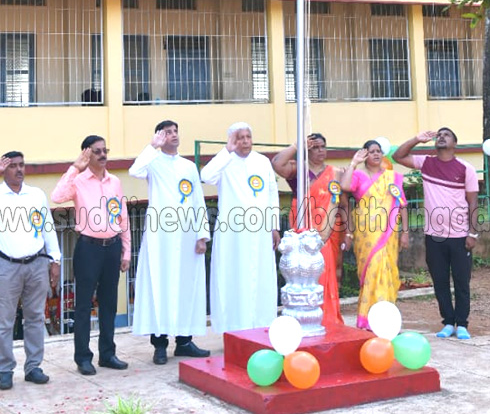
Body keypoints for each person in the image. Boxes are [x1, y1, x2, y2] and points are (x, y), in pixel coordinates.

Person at [0, 151, 61, 390]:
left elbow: (48, 227)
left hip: (37, 264)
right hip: (5, 266)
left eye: (21, 165)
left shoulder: (36, 194)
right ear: (3, 170)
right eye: (13, 166)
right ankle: (4, 371)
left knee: (35, 318)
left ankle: (33, 367)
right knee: (4, 322)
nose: (19, 170)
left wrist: (54, 260)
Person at [129, 120, 211, 365]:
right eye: (167, 132)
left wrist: (201, 235)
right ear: (159, 136)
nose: (173, 135)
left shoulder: (188, 166)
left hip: (187, 238)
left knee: (187, 287)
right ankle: (160, 344)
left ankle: (184, 342)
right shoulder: (152, 162)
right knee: (160, 286)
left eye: (175, 131)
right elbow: (134, 170)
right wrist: (152, 146)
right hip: (161, 238)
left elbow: (198, 200)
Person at [51, 135, 131, 375]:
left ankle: (108, 354)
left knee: (108, 304)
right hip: (88, 249)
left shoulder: (115, 181)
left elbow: (123, 217)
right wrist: (75, 167)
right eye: (97, 151)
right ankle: (83, 358)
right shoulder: (78, 181)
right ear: (86, 154)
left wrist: (126, 250)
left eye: (105, 150)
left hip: (112, 247)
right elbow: (57, 196)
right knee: (84, 305)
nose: (103, 155)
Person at [393, 128, 479, 340]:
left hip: (460, 235)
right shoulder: (426, 163)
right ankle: (448, 322)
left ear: (455, 143)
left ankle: (462, 324)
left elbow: (473, 202)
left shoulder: (466, 168)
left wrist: (473, 233)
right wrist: (416, 139)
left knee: (461, 282)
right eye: (438, 134)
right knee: (440, 282)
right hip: (434, 236)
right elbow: (398, 156)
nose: (441, 137)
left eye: (446, 135)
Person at [201, 122, 280, 333]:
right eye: (240, 138)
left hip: (261, 232)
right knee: (233, 276)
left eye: (248, 137)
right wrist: (227, 150)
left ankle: (262, 325)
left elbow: (272, 193)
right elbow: (206, 176)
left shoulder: (262, 161)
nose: (245, 141)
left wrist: (274, 226)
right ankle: (235, 328)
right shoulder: (225, 161)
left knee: (261, 276)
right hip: (233, 234)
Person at [271, 133, 350, 329]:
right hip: (302, 233)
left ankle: (327, 318)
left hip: (327, 233)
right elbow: (276, 163)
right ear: (307, 150)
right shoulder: (299, 170)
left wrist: (348, 232)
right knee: (302, 275)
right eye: (315, 147)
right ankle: (303, 320)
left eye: (323, 146)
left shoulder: (335, 173)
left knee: (327, 275)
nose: (320, 150)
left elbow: (344, 205)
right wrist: (296, 145)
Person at [341, 140, 409, 330]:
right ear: (365, 155)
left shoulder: (392, 177)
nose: (376, 154)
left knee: (387, 272)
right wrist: (353, 163)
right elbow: (345, 187)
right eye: (371, 152)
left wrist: (405, 232)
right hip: (366, 235)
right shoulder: (359, 176)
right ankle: (368, 319)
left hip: (388, 234)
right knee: (371, 271)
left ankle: (386, 318)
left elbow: (402, 204)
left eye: (378, 151)